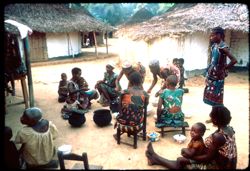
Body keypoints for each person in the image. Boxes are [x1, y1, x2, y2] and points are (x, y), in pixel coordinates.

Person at [146, 105, 237, 169]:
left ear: (215, 120)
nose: (210, 118)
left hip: (218, 167)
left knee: (181, 161)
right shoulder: (229, 129)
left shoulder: (218, 136)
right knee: (182, 160)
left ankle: (155, 158)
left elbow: (208, 158)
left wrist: (190, 158)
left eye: (211, 117)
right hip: (226, 164)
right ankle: (155, 158)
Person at [203, 27, 237, 123]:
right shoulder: (215, 46)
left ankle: (220, 118)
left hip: (218, 77)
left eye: (213, 35)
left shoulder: (223, 47)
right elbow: (214, 60)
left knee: (218, 98)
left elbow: (234, 60)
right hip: (211, 75)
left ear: (219, 35)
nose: (211, 37)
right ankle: (213, 116)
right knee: (213, 97)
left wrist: (224, 69)